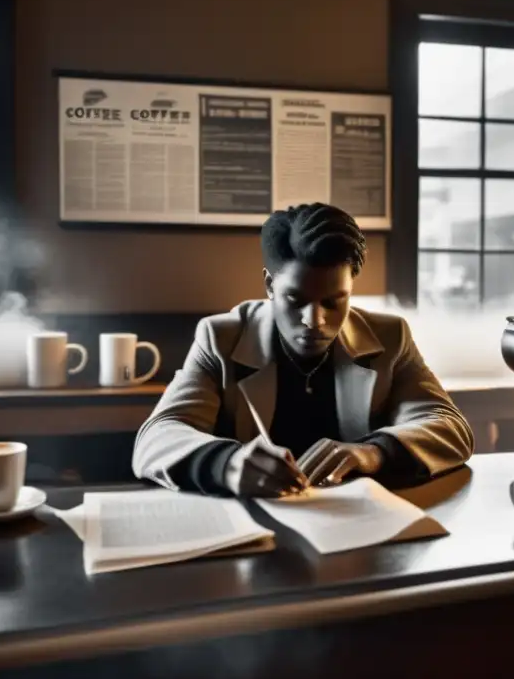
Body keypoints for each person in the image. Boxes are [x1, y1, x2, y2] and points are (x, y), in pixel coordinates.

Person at [132, 203, 474, 498]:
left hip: (355, 532)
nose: (315, 320)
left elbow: (450, 428)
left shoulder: (390, 337)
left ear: (350, 289)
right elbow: (156, 438)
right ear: (269, 285)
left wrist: (372, 453)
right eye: (295, 300)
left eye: (333, 301)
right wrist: (226, 464)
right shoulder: (221, 338)